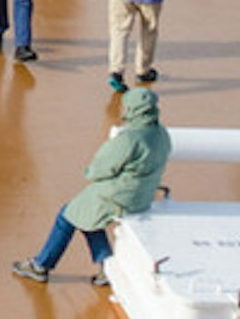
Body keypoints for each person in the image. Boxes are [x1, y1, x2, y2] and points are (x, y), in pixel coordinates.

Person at [11, 87, 171, 285]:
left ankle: (41, 265)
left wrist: (90, 172)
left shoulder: (129, 139)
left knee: (67, 215)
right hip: (144, 195)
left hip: (120, 197)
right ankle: (106, 265)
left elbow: (98, 170)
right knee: (86, 215)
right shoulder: (161, 133)